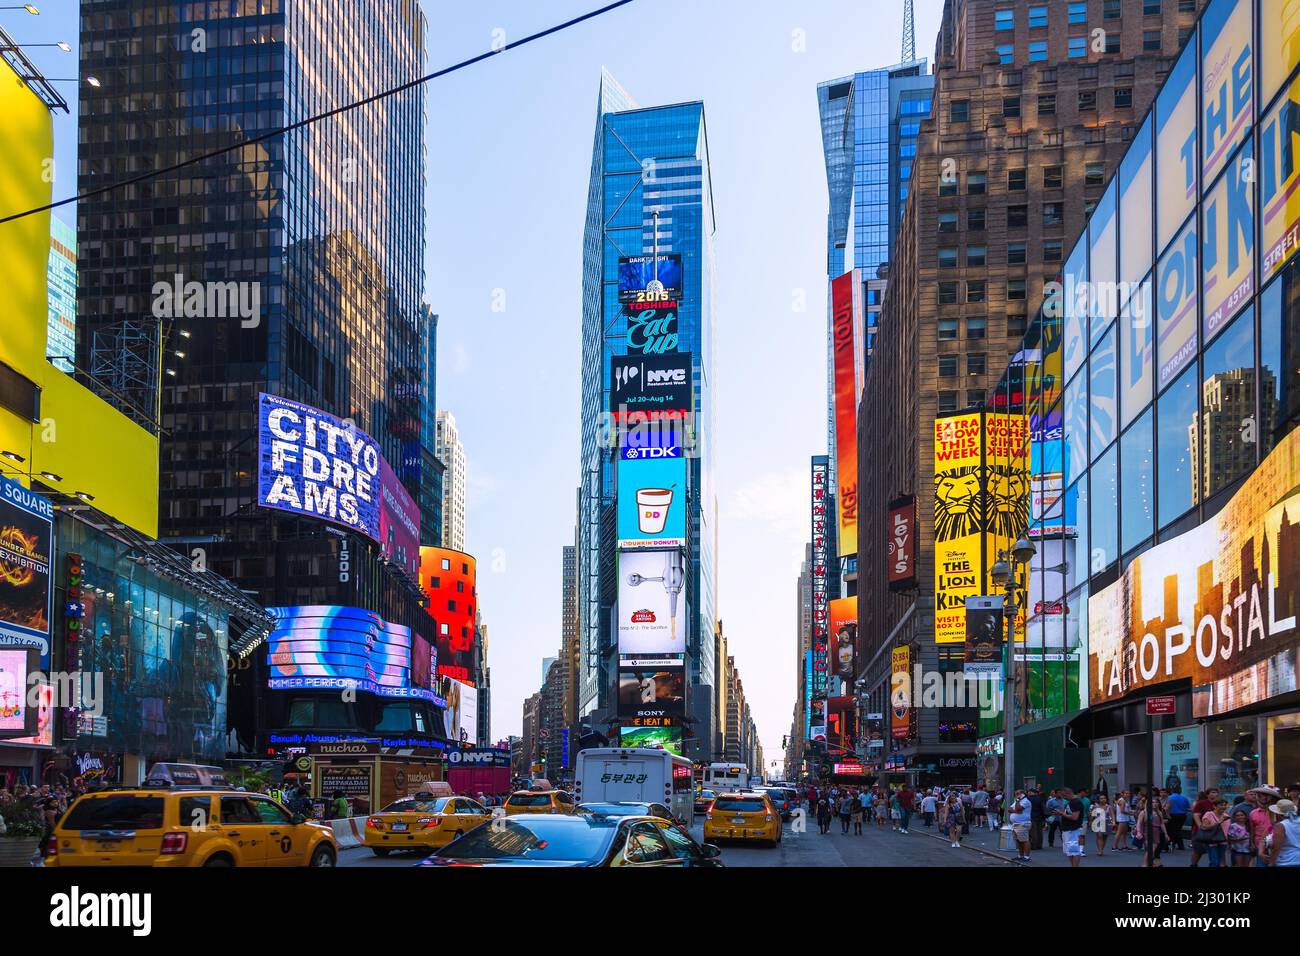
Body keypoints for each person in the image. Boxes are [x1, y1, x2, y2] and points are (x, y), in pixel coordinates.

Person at [1192, 798, 1229, 868]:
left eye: (1225, 805)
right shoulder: (1209, 814)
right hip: (1212, 841)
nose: (1223, 807)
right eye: (1221, 805)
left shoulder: (1226, 815)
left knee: (1219, 861)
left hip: (1223, 841)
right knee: (1214, 861)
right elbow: (1204, 827)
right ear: (1214, 806)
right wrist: (1218, 822)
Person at [1056, 786, 1085, 867]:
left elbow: (1074, 817)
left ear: (1068, 793)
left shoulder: (1076, 802)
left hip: (1073, 829)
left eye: (1064, 796)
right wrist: (1061, 813)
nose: (1063, 798)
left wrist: (1062, 814)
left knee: (1074, 851)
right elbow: (1068, 813)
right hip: (1067, 830)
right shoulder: (1070, 802)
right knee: (1069, 852)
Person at [1268, 799, 1300, 867]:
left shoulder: (1281, 825)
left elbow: (1276, 847)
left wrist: (1271, 863)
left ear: (1278, 814)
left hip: (1287, 861)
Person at [1008, 789, 1032, 862]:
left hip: (1023, 823)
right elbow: (1009, 809)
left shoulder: (1026, 801)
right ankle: (1020, 855)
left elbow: (1019, 808)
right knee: (1018, 840)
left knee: (1024, 840)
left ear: (1022, 794)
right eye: (1016, 793)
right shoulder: (1017, 801)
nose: (1016, 795)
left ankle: (1027, 857)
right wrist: (1016, 811)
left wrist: (1017, 802)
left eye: (1018, 793)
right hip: (1016, 824)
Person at [1027, 786, 1046, 850]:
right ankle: (1039, 845)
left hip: (1031, 816)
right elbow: (1043, 809)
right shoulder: (1040, 799)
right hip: (1039, 816)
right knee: (1039, 831)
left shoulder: (1028, 799)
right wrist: (1044, 818)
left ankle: (1033, 845)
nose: (1028, 793)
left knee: (1033, 832)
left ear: (1031, 792)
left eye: (1029, 792)